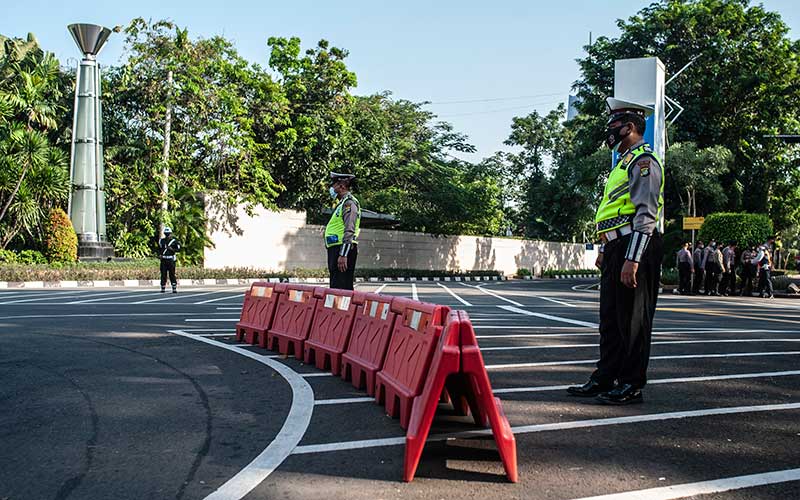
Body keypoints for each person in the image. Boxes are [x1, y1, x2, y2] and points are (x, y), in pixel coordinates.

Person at [567, 97, 664, 405]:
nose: (609, 130)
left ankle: (631, 383)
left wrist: (632, 258)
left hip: (636, 245)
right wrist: (605, 248)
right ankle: (605, 376)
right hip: (615, 246)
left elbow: (645, 216)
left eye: (614, 124)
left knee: (633, 320)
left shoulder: (643, 163)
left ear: (631, 127)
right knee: (610, 318)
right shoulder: (622, 164)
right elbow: (613, 213)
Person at [325, 172, 361, 290]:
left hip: (343, 250)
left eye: (333, 185)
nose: (332, 188)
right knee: (336, 287)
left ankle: (343, 309)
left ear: (341, 186)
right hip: (336, 249)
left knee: (342, 289)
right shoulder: (341, 204)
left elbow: (349, 230)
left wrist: (343, 255)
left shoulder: (349, 204)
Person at [158, 226, 181, 293]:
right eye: (166, 233)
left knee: (172, 274)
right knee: (163, 274)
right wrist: (159, 255)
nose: (167, 235)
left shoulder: (174, 241)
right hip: (163, 260)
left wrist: (172, 249)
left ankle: (174, 287)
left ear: (171, 233)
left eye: (168, 233)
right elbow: (159, 249)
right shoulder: (161, 241)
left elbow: (179, 249)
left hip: (171, 259)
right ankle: (163, 287)